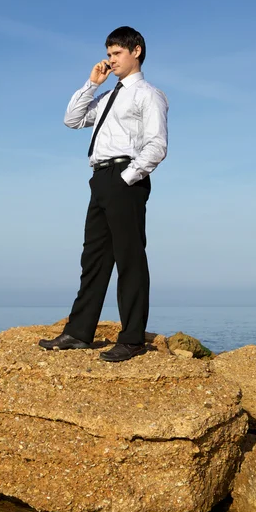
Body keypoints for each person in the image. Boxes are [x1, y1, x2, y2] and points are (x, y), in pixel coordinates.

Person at [39, 26, 168, 362]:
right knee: (94, 258)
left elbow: (157, 145)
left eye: (116, 54)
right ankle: (79, 332)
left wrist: (128, 177)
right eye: (108, 54)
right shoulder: (108, 96)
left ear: (136, 51)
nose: (110, 60)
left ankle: (133, 338)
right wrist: (92, 83)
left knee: (130, 258)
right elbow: (72, 119)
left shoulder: (148, 94)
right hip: (99, 178)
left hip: (124, 178)